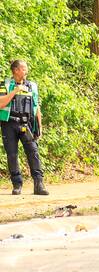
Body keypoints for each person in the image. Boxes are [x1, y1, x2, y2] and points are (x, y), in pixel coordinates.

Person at [0, 59, 47, 195]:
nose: (26, 71)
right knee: (12, 155)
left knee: (34, 153)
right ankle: (17, 185)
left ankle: (39, 185)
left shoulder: (32, 86)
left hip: (26, 124)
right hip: (9, 124)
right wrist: (15, 91)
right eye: (24, 68)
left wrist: (39, 126)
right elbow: (1, 104)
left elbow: (36, 106)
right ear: (16, 70)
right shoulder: (5, 84)